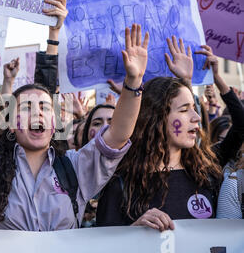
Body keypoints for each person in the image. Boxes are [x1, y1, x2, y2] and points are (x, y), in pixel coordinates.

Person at [0, 17, 148, 230]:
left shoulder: (76, 167)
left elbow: (118, 135)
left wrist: (134, 82)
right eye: (27, 107)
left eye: (45, 108)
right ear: (11, 124)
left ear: (54, 123)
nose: (37, 112)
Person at [96, 38, 228, 231]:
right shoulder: (122, 185)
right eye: (184, 110)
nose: (196, 117)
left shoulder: (207, 176)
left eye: (194, 108)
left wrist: (188, 81)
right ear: (156, 118)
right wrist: (134, 231)